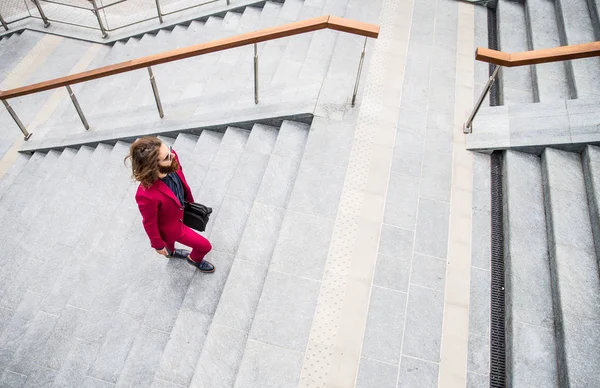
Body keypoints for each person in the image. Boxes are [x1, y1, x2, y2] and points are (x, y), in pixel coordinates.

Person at [125, 137, 214, 273]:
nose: (173, 155)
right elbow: (149, 222)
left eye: (169, 150)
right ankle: (194, 259)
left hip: (180, 209)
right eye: (167, 157)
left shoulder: (171, 159)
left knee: (169, 245)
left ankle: (171, 252)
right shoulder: (146, 195)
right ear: (153, 166)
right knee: (205, 246)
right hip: (172, 227)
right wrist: (158, 245)